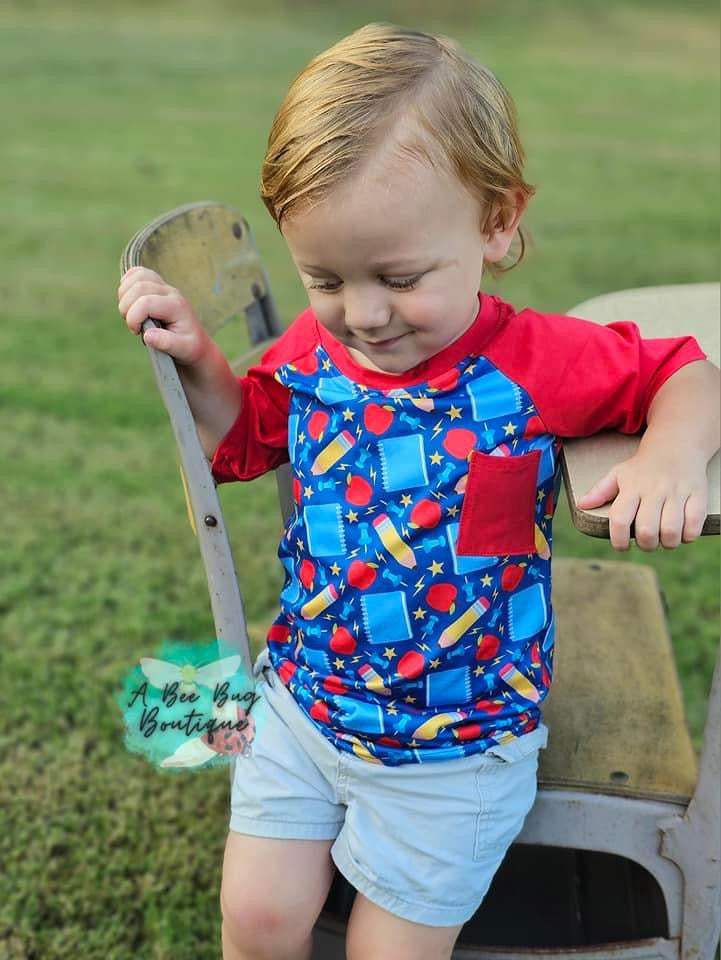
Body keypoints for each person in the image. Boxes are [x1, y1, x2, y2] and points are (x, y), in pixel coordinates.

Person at [117, 22, 720, 960]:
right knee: (257, 919)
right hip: (302, 704)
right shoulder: (315, 356)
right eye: (325, 278)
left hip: (458, 747)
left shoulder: (537, 362)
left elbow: (688, 372)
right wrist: (201, 363)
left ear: (497, 221)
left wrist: (671, 458)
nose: (362, 315)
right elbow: (241, 444)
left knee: (386, 949)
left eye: (399, 278)